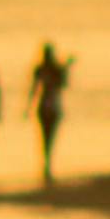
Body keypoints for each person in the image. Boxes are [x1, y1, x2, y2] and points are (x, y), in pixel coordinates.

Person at [27, 42, 73, 183]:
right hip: (51, 106)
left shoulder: (43, 69)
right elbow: (63, 85)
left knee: (46, 136)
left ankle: (46, 165)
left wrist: (28, 107)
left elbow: (35, 89)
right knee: (48, 136)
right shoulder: (51, 69)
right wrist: (65, 68)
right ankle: (47, 165)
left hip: (48, 105)